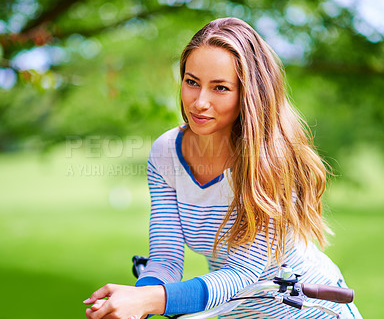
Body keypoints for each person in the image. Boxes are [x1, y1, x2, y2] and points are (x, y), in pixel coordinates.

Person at [83, 17, 362, 319]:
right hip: (237, 312)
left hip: (311, 310)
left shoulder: (270, 161)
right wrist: (137, 302)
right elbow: (165, 259)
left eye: (220, 88)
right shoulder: (166, 153)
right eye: (192, 82)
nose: (200, 101)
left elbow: (241, 273)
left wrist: (150, 301)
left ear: (248, 94)